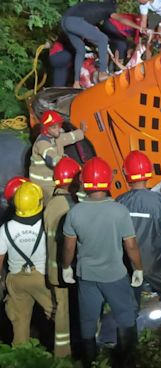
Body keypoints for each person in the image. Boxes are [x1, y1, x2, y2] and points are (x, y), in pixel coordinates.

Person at [62, 157, 143, 368]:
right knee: (125, 317)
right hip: (114, 275)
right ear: (108, 182)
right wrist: (138, 269)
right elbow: (131, 246)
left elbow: (69, 247)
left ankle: (90, 362)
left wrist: (65, 268)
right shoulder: (119, 211)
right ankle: (127, 362)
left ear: (83, 182)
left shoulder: (75, 212)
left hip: (86, 276)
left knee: (88, 321)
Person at [116, 151, 161, 329]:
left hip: (128, 261)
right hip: (155, 258)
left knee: (131, 301)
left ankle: (129, 341)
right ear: (148, 173)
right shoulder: (157, 200)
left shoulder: (120, 201)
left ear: (127, 174)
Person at [0, 182, 64, 352]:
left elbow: (0, 259)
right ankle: (61, 349)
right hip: (42, 278)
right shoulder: (46, 224)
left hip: (16, 280)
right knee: (59, 313)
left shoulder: (5, 229)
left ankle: (20, 357)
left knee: (19, 321)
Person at [61, 0, 145, 88]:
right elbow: (121, 19)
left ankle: (76, 82)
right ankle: (102, 72)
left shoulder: (96, 6)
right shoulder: (108, 7)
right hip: (75, 21)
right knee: (103, 39)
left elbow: (87, 14)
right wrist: (139, 28)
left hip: (65, 22)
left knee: (80, 51)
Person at [43, 157, 81, 357]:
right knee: (67, 313)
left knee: (61, 311)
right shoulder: (69, 206)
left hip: (52, 269)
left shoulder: (50, 204)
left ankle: (62, 352)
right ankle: (66, 354)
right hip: (66, 269)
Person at [29, 110, 85, 205]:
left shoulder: (56, 137)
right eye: (54, 127)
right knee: (56, 204)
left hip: (56, 180)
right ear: (46, 129)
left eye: (59, 125)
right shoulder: (42, 143)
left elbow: (68, 137)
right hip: (44, 185)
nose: (58, 129)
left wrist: (81, 132)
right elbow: (51, 157)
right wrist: (65, 162)